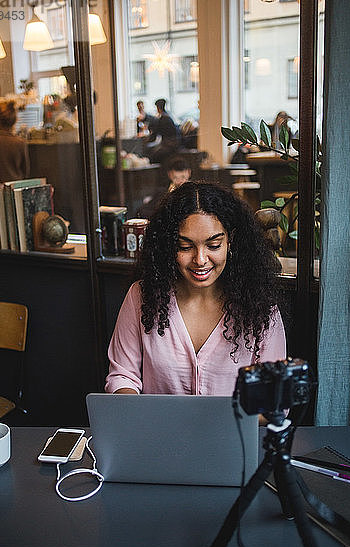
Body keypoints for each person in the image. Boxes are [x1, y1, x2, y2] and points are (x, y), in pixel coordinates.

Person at [106, 181, 287, 398]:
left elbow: (274, 398)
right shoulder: (142, 297)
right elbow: (122, 375)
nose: (200, 260)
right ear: (169, 245)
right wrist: (133, 408)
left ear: (231, 241)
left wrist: (221, 419)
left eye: (213, 245)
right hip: (158, 431)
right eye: (185, 247)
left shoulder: (261, 308)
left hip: (231, 432)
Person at [145, 98, 181, 163]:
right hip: (175, 144)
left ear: (158, 108)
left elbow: (155, 133)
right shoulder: (169, 116)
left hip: (169, 145)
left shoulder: (163, 118)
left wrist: (147, 141)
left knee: (152, 154)